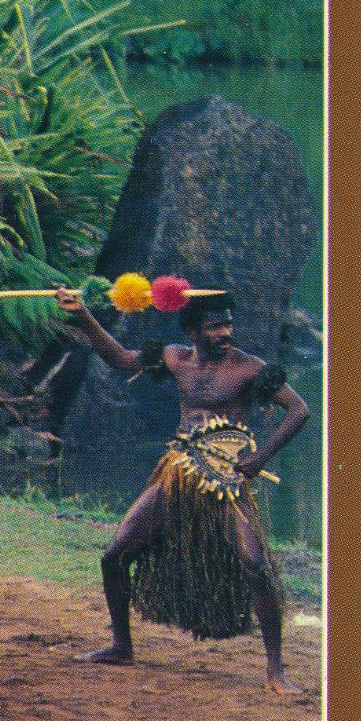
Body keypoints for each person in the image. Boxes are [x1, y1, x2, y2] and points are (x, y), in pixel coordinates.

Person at [56, 288, 310, 693]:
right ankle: (122, 646)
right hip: (177, 471)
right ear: (192, 330)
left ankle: (276, 670)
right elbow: (121, 359)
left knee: (256, 565)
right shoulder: (175, 358)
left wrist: (260, 457)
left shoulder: (249, 368)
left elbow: (299, 409)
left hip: (226, 479)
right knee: (115, 556)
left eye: (228, 323)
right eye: (215, 326)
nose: (225, 332)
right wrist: (85, 317)